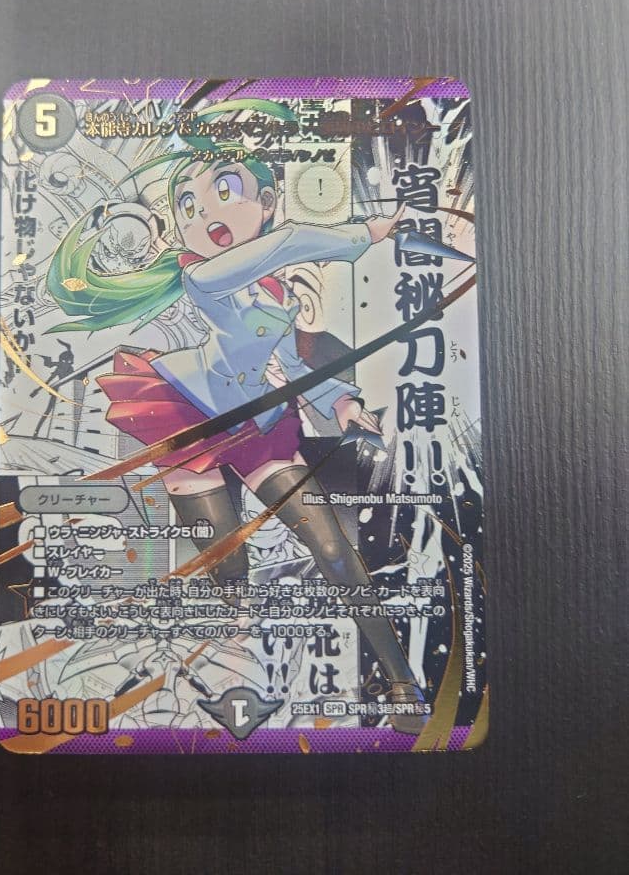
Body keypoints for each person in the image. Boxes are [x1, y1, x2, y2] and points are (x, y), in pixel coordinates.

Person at [47, 152, 428, 733]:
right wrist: (364, 234)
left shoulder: (275, 292)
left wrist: (339, 401)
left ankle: (402, 682)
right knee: (229, 565)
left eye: (225, 191)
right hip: (189, 418)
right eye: (188, 205)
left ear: (267, 202)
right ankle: (237, 674)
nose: (206, 214)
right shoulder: (203, 276)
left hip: (258, 425)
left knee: (331, 547)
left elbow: (287, 361)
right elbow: (288, 241)